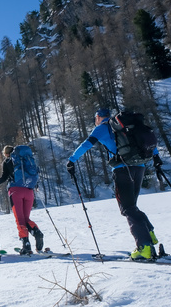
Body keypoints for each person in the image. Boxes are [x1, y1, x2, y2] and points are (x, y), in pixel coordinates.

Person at [66, 108, 162, 260]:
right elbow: (146, 141)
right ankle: (148, 233)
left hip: (122, 169)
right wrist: (156, 157)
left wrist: (72, 160)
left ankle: (144, 246)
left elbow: (86, 144)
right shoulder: (126, 127)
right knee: (132, 206)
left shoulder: (102, 128)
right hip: (140, 167)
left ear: (98, 117)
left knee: (127, 208)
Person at [0, 145, 44, 255]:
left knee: (20, 219)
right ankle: (36, 232)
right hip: (29, 191)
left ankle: (26, 245)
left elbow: (4, 177)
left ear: (6, 153)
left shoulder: (8, 161)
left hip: (15, 191)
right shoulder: (25, 160)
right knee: (25, 218)